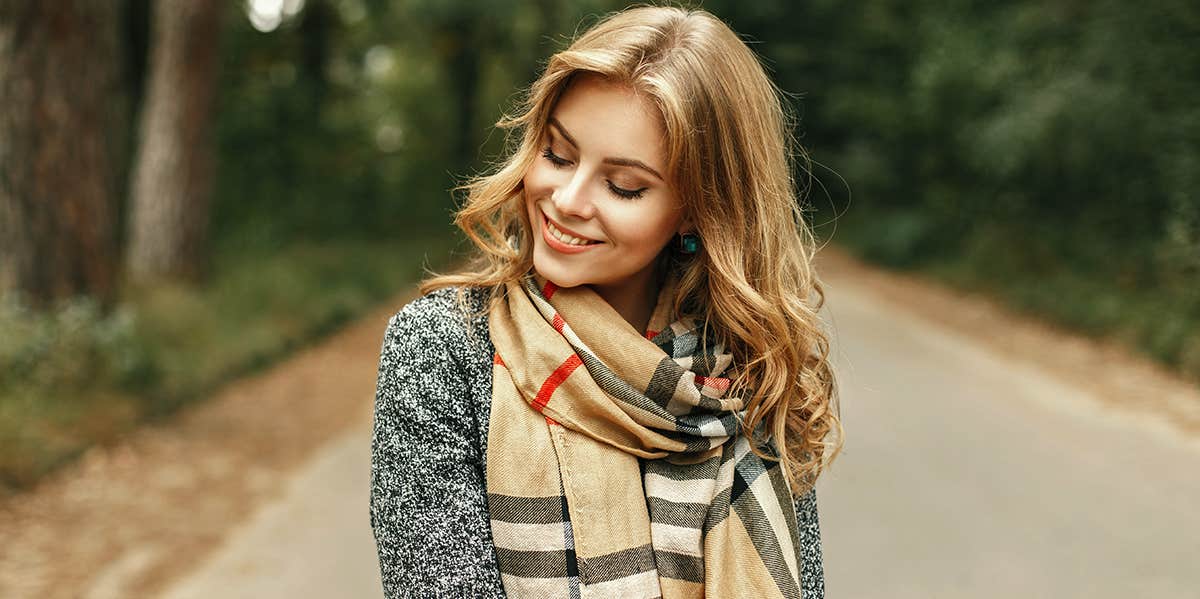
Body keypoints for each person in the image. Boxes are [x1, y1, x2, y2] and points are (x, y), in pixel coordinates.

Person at [370, 5, 842, 598]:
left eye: (623, 186)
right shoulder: (443, 349)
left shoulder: (751, 374)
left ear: (698, 208)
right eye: (559, 155)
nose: (566, 199)